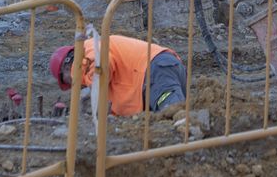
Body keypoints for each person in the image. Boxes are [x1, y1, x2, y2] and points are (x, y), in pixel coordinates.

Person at [50, 27, 186, 117]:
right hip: (157, 73)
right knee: (168, 122)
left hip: (156, 71)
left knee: (175, 116)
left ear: (67, 68)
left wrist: (92, 92)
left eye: (67, 81)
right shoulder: (92, 57)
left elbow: (102, 63)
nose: (73, 86)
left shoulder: (87, 50)